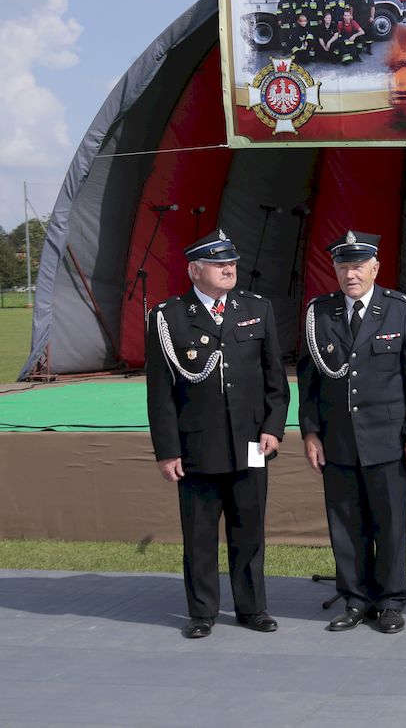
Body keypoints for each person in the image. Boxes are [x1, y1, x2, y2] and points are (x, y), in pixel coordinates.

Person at [145, 229, 288, 638]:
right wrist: (167, 450)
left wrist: (273, 429)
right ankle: (202, 612)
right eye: (218, 263)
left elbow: (275, 380)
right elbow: (160, 393)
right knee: (199, 534)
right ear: (194, 270)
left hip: (252, 442)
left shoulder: (257, 308)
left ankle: (252, 608)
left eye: (231, 262)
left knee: (250, 530)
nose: (228, 269)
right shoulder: (169, 317)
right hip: (197, 444)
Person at [297, 230, 406, 634]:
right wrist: (310, 433)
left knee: (389, 525)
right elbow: (309, 379)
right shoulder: (319, 312)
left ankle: (390, 602)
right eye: (343, 267)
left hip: (387, 439)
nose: (350, 274)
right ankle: (355, 599)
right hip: (337, 439)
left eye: (358, 266)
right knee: (345, 525)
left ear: (375, 268)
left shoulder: (400, 308)